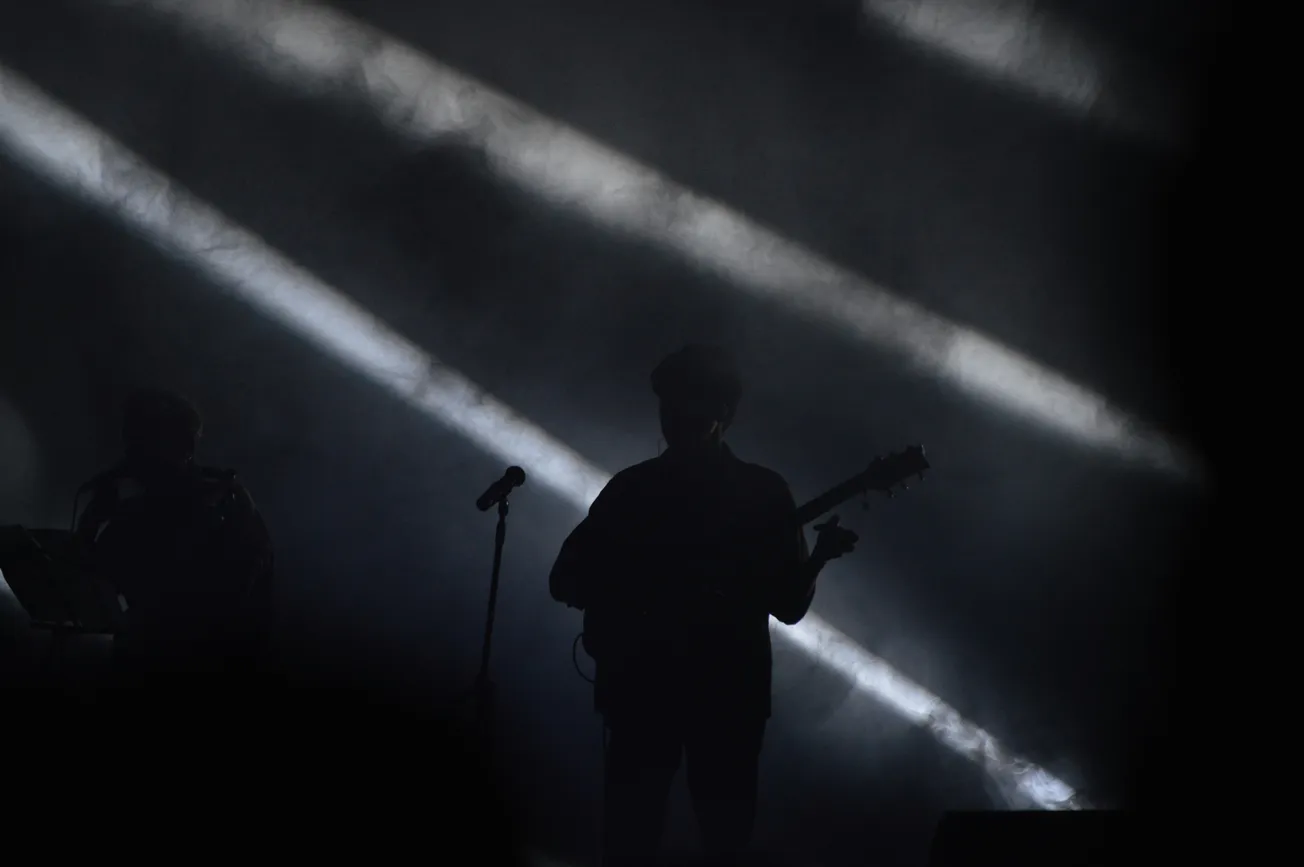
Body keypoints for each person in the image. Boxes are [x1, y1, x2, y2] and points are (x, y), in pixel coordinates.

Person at [549, 344, 859, 865]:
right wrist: (635, 595)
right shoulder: (633, 490)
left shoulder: (760, 493)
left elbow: (786, 605)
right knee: (633, 835)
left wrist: (818, 558)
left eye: (688, 403)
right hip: (651, 689)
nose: (674, 415)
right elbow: (565, 578)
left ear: (722, 412)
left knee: (721, 836)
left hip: (722, 695)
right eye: (668, 403)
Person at [75, 388, 273, 687]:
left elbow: (238, 602)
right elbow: (89, 582)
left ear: (185, 447)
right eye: (132, 438)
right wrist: (91, 523)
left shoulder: (226, 504)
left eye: (146, 439)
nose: (133, 451)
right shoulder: (135, 513)